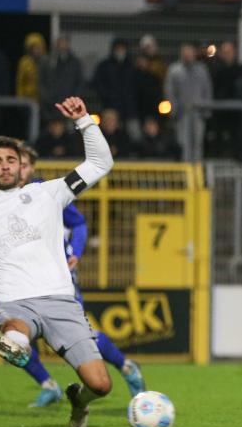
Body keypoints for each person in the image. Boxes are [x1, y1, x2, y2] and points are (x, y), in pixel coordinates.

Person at [0, 96, 115, 427]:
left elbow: (100, 163)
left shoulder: (50, 193)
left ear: (22, 166)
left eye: (10, 160)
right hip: (14, 302)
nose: (4, 165)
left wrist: (85, 121)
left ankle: (78, 399)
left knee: (101, 385)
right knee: (15, 339)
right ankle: (10, 341)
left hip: (61, 302)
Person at [16, 143, 146, 407]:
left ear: (31, 168)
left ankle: (127, 367)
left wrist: (74, 250)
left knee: (81, 335)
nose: (17, 169)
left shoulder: (45, 193)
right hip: (23, 281)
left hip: (59, 279)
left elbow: (78, 223)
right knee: (13, 337)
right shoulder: (1, 201)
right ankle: (48, 384)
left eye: (24, 164)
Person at [165, 42, 213, 154]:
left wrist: (207, 111)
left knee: (198, 142)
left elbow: (207, 90)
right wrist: (173, 111)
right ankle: (185, 168)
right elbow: (169, 92)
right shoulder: (174, 70)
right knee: (182, 142)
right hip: (181, 113)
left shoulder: (202, 69)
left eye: (189, 52)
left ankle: (197, 169)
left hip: (198, 113)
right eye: (185, 52)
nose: (187, 55)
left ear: (194, 53)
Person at [16, 33, 47, 103]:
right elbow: (20, 82)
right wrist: (20, 98)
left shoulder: (47, 62)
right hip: (28, 99)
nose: (37, 50)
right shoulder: (24, 63)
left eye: (39, 47)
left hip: (43, 99)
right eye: (34, 48)